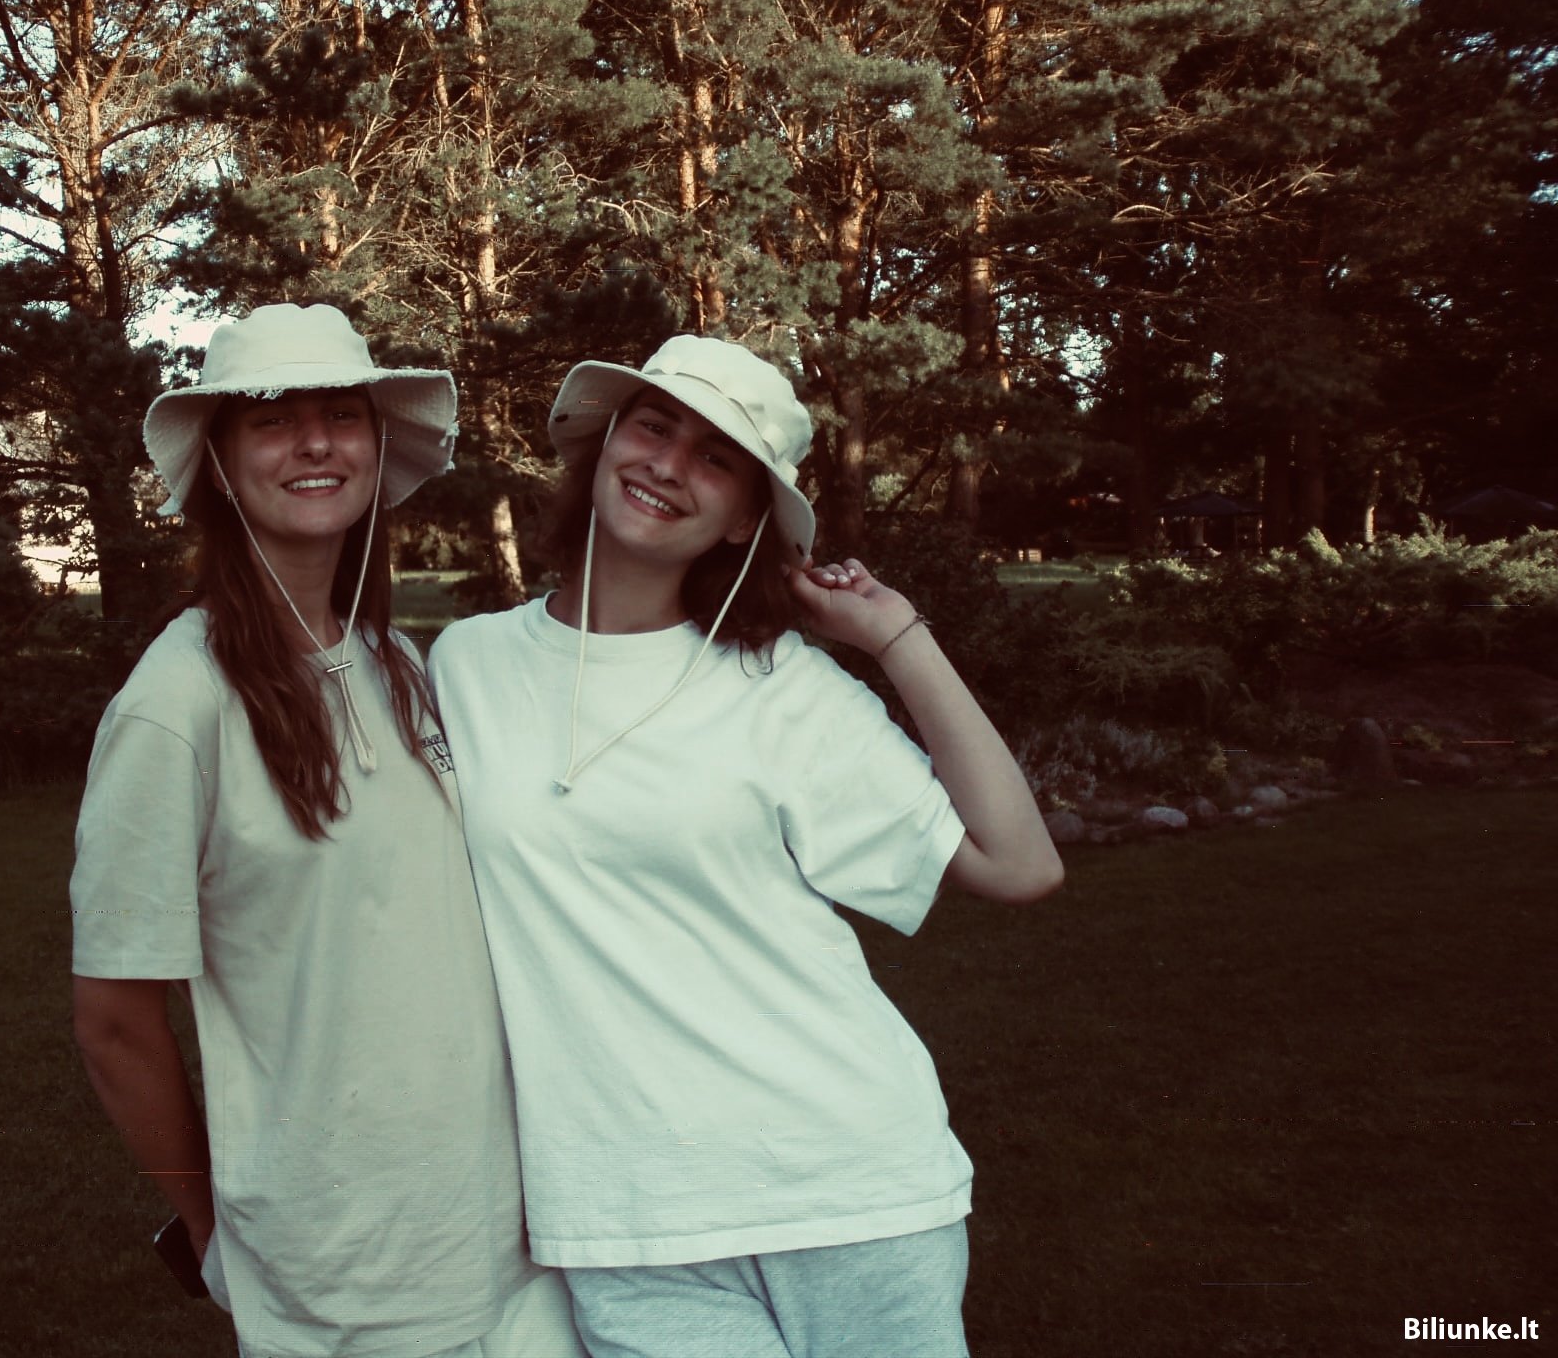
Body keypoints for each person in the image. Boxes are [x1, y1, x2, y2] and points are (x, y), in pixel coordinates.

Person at [428, 334, 1064, 1358]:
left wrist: (895, 637)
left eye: (717, 459)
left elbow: (1019, 865)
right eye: (653, 427)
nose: (668, 465)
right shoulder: (465, 664)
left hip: (843, 1186)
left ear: (743, 520)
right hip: (625, 1217)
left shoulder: (778, 686)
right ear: (604, 443)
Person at [69, 304, 584, 1358]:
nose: (314, 442)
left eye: (341, 415)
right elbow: (114, 1020)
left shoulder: (393, 662)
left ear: (376, 446)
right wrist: (210, 1230)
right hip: (343, 1278)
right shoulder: (177, 704)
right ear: (219, 465)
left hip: (509, 1236)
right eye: (272, 419)